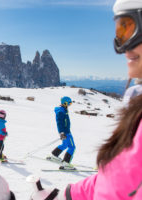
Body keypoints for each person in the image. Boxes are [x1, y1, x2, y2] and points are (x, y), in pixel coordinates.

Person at [29, 0, 142, 199]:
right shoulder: (136, 109)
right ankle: (60, 158)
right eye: (119, 32)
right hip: (66, 133)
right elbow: (114, 181)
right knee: (69, 145)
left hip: (67, 132)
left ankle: (60, 158)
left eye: (129, 28)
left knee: (70, 146)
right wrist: (67, 195)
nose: (122, 46)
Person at [48, 96, 76, 170]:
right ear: (65, 103)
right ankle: (66, 163)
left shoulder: (63, 109)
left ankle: (54, 155)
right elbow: (59, 123)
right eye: (69, 103)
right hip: (66, 132)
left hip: (65, 131)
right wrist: (62, 132)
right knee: (72, 147)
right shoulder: (61, 111)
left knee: (64, 145)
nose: (70, 105)